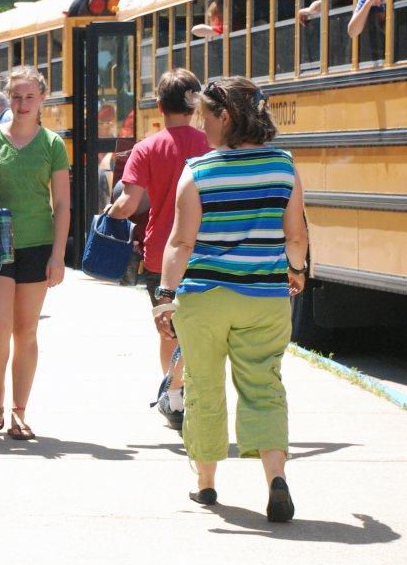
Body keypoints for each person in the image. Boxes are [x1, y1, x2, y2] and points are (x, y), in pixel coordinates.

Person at [155, 76, 309, 522]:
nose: (201, 126)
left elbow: (181, 243)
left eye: (205, 116)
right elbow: (295, 234)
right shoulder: (283, 165)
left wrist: (165, 296)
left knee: (203, 387)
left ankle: (205, 485)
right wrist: (295, 272)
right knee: (265, 385)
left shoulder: (199, 171)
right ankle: (276, 479)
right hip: (264, 296)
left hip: (205, 299)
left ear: (226, 117)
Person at [0, 66, 69, 440]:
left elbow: (61, 204)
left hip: (37, 245)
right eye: (16, 97)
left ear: (43, 98)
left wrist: (58, 255)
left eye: (29, 97)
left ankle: (20, 411)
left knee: (26, 331)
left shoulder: (52, 144)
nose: (23, 104)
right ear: (8, 99)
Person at [106, 69, 208, 431]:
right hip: (208, 252)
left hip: (161, 256)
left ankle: (175, 396)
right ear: (196, 106)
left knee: (170, 330)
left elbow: (129, 204)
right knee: (202, 331)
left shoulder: (147, 148)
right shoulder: (211, 144)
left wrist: (109, 213)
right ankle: (196, 395)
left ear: (159, 106)